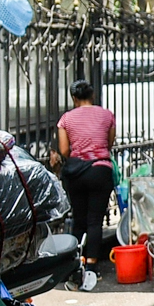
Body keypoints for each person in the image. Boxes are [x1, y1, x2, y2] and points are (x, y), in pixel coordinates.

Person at [50, 79, 116, 291]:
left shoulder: (66, 119)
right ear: (93, 95)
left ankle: (73, 264)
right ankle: (92, 266)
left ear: (74, 99)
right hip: (100, 170)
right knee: (95, 220)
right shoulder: (107, 115)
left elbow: (64, 151)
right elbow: (109, 143)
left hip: (77, 173)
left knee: (79, 220)